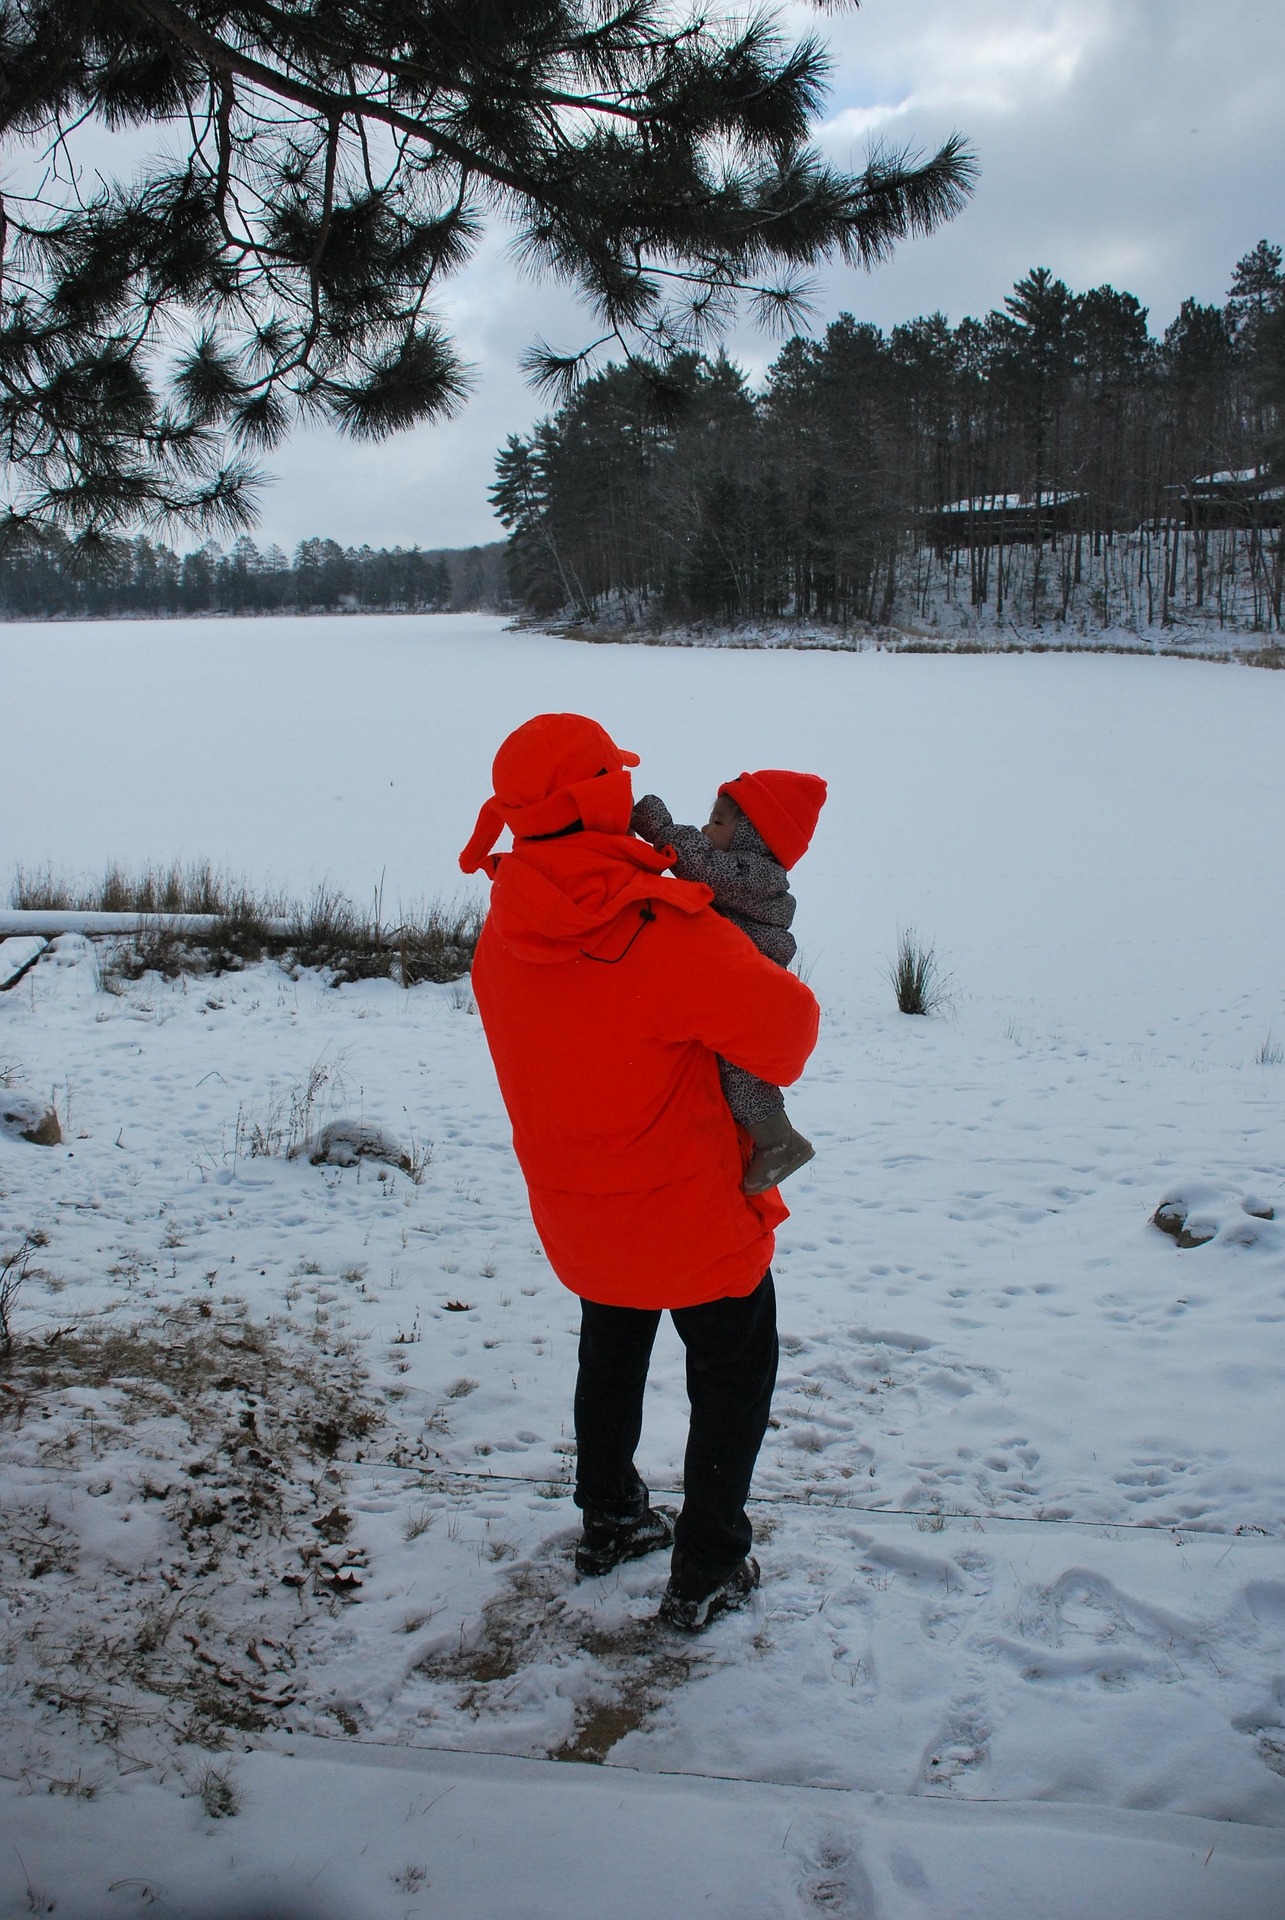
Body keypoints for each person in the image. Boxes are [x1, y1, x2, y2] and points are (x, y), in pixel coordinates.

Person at [459, 713, 819, 1630]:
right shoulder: (664, 929)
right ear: (599, 797)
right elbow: (787, 1033)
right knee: (734, 1371)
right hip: (693, 1218)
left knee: (611, 1349)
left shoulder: (502, 932)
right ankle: (706, 1567)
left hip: (581, 1216)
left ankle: (612, 1519)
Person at [629, 768, 827, 1194]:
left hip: (751, 990)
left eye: (718, 822)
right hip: (740, 984)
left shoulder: (753, 875)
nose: (706, 828)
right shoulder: (744, 876)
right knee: (732, 1069)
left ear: (753, 838)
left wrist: (660, 828)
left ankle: (779, 1141)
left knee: (740, 1070)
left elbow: (699, 866)